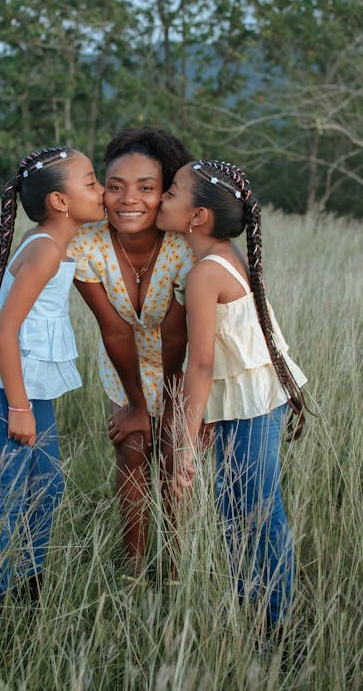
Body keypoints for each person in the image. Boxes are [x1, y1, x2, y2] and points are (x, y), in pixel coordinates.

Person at [0, 147, 104, 602]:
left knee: (48, 484)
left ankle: (30, 579)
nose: (100, 191)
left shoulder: (55, 243)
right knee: (12, 487)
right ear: (60, 201)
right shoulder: (44, 252)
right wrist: (18, 408)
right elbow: (3, 331)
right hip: (4, 388)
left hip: (29, 385)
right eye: (91, 182)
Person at [156, 158, 308, 630]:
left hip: (252, 405)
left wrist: (184, 440)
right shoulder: (220, 256)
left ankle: (278, 622)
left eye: (172, 191)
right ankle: (250, 601)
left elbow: (200, 363)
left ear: (198, 216)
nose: (162, 196)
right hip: (248, 400)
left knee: (257, 508)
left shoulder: (206, 273)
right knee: (235, 502)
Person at [68, 127, 195, 578]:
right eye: (116, 186)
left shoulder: (183, 246)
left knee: (173, 453)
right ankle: (136, 568)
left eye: (146, 187)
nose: (129, 199)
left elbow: (178, 339)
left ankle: (176, 567)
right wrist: (138, 406)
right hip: (124, 363)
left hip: (184, 365)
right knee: (133, 447)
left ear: (165, 193)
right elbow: (115, 331)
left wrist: (176, 406)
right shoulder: (86, 244)